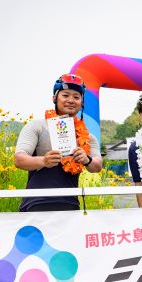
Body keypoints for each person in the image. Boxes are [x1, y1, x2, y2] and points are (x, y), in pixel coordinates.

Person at [15, 73, 102, 211]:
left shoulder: (88, 137)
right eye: (65, 95)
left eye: (76, 97)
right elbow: (19, 160)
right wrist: (43, 161)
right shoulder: (37, 126)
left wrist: (87, 160)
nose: (71, 100)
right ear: (54, 98)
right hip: (36, 204)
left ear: (82, 102)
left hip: (71, 205)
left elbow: (97, 166)